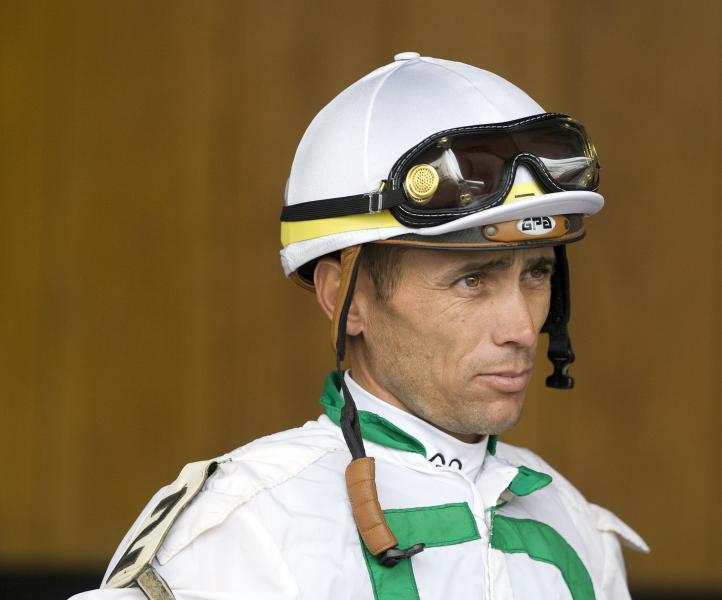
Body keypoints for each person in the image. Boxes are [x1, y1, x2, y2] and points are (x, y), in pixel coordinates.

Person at [71, 52, 648, 600]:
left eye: (537, 273)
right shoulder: (242, 529)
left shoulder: (572, 523)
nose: (521, 327)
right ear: (345, 299)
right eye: (472, 280)